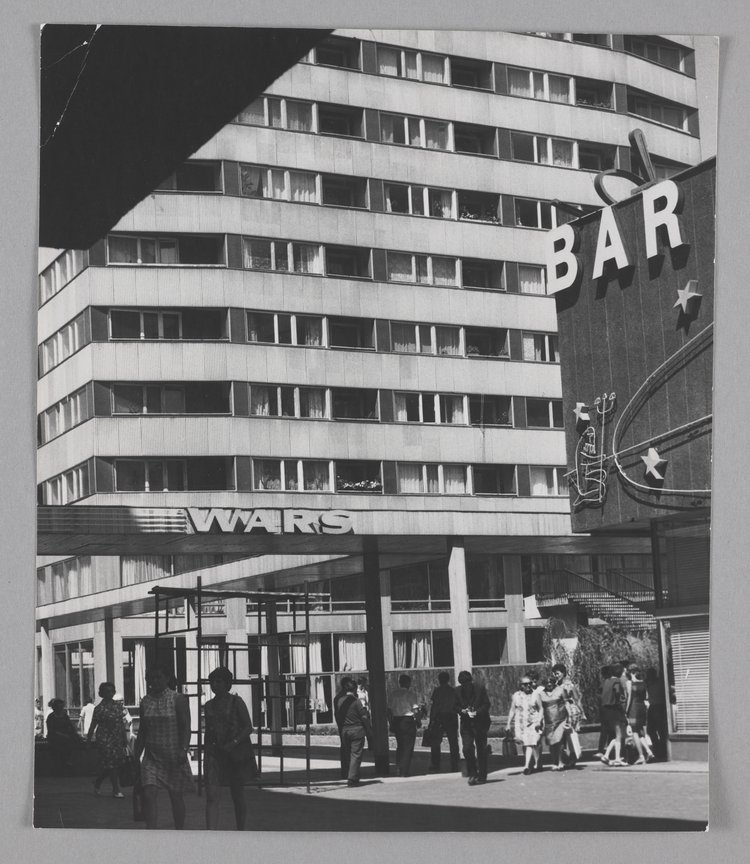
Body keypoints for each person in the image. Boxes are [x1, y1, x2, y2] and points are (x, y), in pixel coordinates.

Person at [134, 665, 193, 829]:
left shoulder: (178, 698)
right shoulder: (146, 701)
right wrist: (135, 754)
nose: (155, 681)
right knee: (148, 793)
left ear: (167, 678)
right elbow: (143, 730)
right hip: (151, 756)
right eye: (152, 678)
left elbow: (185, 726)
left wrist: (184, 749)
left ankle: (179, 830)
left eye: (159, 677)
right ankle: (151, 833)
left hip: (174, 756)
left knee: (175, 796)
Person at [203, 666, 256, 830]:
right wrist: (206, 751)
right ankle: (211, 833)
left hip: (235, 754)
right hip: (215, 754)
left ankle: (241, 830)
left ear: (227, 684)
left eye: (218, 681)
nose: (214, 685)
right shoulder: (208, 705)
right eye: (212, 682)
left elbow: (248, 726)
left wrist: (233, 742)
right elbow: (209, 730)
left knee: (237, 795)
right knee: (212, 795)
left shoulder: (236, 701)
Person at [87, 681, 129, 797]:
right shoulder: (99, 708)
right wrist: (89, 740)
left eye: (111, 691)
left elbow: (121, 723)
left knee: (113, 763)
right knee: (112, 763)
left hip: (117, 738)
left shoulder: (118, 706)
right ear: (101, 693)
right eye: (106, 691)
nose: (109, 693)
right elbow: (93, 725)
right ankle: (116, 789)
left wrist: (124, 738)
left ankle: (98, 781)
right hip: (104, 739)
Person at [334, 676, 372, 787]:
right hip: (357, 730)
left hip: (345, 730)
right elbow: (364, 717)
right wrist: (369, 729)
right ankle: (352, 778)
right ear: (354, 689)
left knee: (348, 754)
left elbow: (337, 716)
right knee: (356, 755)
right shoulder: (356, 702)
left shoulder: (339, 700)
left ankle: (350, 773)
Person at [456, 670, 491, 786]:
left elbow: (487, 704)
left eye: (468, 685)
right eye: (463, 685)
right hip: (466, 724)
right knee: (467, 749)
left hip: (480, 723)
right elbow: (454, 706)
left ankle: (482, 775)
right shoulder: (457, 691)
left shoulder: (480, 689)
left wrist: (477, 712)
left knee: (481, 749)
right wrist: (462, 711)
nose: (466, 687)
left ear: (471, 682)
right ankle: (472, 773)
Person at [506, 676, 543, 775]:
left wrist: (539, 721)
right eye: (525, 684)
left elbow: (541, 708)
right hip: (521, 723)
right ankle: (536, 762)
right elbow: (512, 709)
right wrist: (508, 723)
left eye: (529, 683)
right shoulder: (516, 695)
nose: (528, 686)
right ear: (521, 685)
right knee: (525, 743)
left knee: (530, 743)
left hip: (533, 723)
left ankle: (526, 766)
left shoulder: (535, 694)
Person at [387, 674, 421, 777]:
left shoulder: (393, 694)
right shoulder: (410, 694)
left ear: (399, 682)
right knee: (408, 746)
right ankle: (404, 770)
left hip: (397, 720)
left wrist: (391, 721)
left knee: (400, 745)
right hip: (407, 720)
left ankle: (398, 767)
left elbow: (389, 710)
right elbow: (415, 710)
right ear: (408, 683)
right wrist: (418, 720)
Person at [427, 671, 460, 774]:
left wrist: (431, 720)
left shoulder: (437, 691)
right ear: (448, 679)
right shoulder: (453, 691)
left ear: (439, 680)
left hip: (440, 717)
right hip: (451, 717)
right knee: (453, 742)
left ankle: (436, 764)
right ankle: (455, 764)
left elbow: (435, 706)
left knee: (436, 742)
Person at [552, 663, 584, 768]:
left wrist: (581, 713)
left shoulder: (569, 685)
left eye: (557, 673)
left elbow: (577, 699)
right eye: (554, 674)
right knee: (562, 737)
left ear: (563, 673)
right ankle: (564, 760)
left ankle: (572, 759)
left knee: (570, 736)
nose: (556, 675)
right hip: (560, 713)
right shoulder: (556, 685)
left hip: (570, 713)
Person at [599, 663, 628, 766]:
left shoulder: (606, 681)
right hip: (614, 709)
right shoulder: (616, 681)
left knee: (616, 735)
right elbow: (618, 694)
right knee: (619, 735)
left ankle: (606, 755)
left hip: (605, 710)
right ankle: (617, 758)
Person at [626, 666, 655, 764]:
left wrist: (626, 711)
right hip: (641, 708)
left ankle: (641, 755)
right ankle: (649, 751)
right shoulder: (643, 683)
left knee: (634, 732)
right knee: (640, 732)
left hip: (633, 709)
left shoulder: (629, 683)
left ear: (631, 673)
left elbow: (629, 698)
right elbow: (646, 696)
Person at [46, 698, 82, 774]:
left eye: (61, 707)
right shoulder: (51, 717)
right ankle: (64, 764)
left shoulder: (65, 716)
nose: (61, 709)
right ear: (54, 708)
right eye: (59, 707)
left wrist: (75, 734)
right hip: (55, 737)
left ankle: (70, 761)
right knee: (64, 744)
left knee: (76, 741)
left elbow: (70, 727)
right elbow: (52, 730)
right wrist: (64, 735)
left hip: (65, 736)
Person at [645, 667, 668, 761]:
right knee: (653, 730)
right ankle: (660, 749)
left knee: (658, 730)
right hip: (655, 706)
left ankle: (660, 750)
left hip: (657, 706)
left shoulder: (657, 683)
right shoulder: (653, 683)